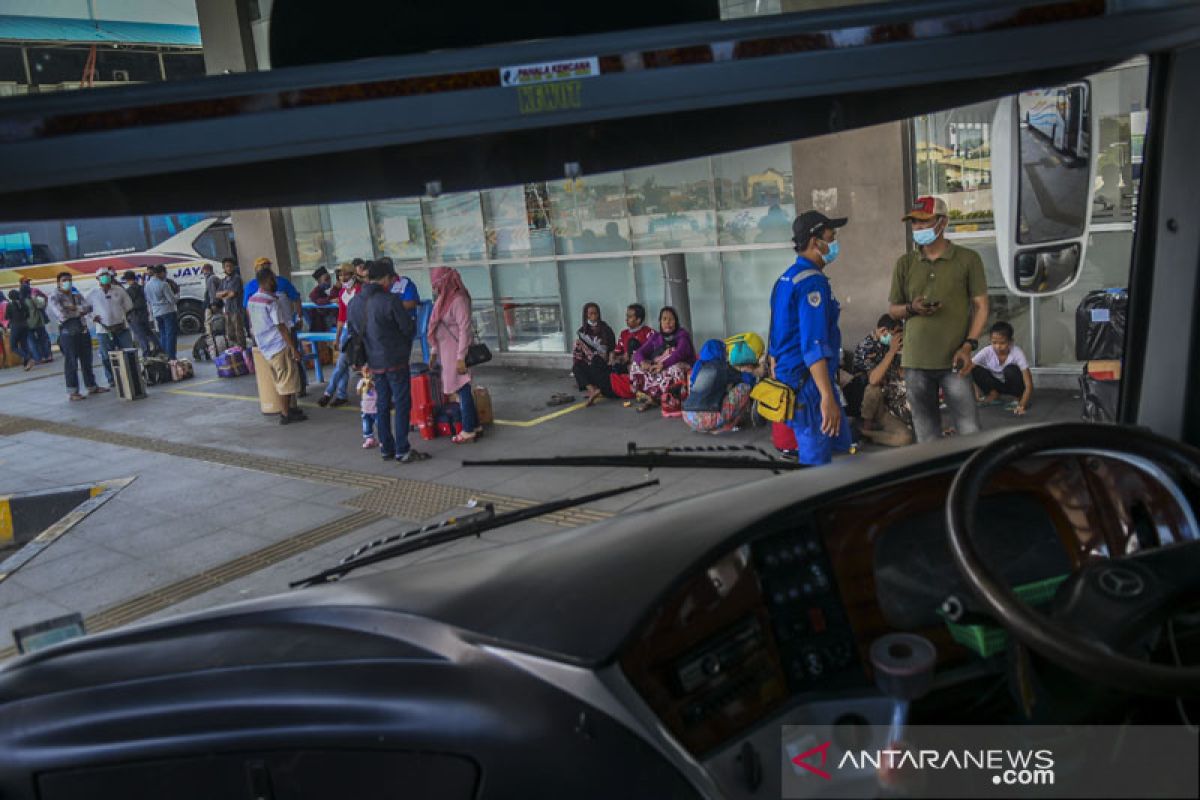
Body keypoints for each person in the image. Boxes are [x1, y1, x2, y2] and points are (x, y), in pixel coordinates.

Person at [888, 195, 989, 442]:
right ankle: (935, 478)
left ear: (942, 223)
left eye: (925, 221)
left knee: (969, 432)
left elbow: (981, 306)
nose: (919, 228)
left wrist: (969, 346)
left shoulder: (968, 259)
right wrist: (912, 308)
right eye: (914, 223)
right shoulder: (905, 263)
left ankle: (971, 477)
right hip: (915, 362)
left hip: (954, 361)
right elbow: (893, 310)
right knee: (926, 434)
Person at [767, 210, 853, 466]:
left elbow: (776, 333)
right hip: (809, 386)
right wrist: (826, 396)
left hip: (793, 378)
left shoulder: (787, 277)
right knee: (816, 460)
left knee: (838, 445)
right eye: (831, 236)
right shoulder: (811, 283)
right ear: (816, 242)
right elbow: (813, 345)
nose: (835, 240)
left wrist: (777, 370)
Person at [349, 259, 430, 460]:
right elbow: (407, 328)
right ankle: (402, 448)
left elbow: (353, 332)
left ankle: (386, 447)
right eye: (390, 279)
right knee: (402, 402)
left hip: (373, 362)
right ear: (385, 278)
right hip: (395, 359)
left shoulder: (354, 302)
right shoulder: (390, 300)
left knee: (382, 403)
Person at [247, 266, 306, 425]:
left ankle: (291, 409)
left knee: (282, 378)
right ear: (266, 281)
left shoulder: (252, 300)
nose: (275, 282)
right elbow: (281, 327)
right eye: (272, 279)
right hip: (278, 345)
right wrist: (294, 348)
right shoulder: (271, 302)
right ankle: (286, 413)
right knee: (285, 381)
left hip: (264, 346)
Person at [428, 265, 480, 445]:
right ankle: (475, 425)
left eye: (438, 284)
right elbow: (438, 327)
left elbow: (464, 329)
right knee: (462, 389)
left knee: (462, 389)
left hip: (457, 350)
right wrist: (434, 351)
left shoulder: (458, 300)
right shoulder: (444, 300)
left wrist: (460, 357)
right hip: (446, 351)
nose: (436, 289)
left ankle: (467, 430)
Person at [851, 315, 913, 447]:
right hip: (872, 402)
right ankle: (866, 427)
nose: (898, 338)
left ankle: (869, 435)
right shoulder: (867, 347)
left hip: (895, 406)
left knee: (906, 439)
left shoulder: (896, 346)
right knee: (873, 389)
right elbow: (873, 379)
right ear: (884, 331)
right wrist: (892, 351)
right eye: (895, 334)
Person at [46, 272, 106, 400]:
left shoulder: (75, 294)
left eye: (69, 279)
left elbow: (89, 307)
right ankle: (73, 391)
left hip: (83, 330)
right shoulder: (54, 296)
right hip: (68, 333)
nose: (67, 282)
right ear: (58, 282)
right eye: (64, 280)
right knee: (71, 362)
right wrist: (79, 310)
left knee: (87, 360)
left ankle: (92, 386)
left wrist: (73, 308)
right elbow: (62, 314)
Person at [630, 306, 695, 416]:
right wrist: (643, 362)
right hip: (659, 366)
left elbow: (679, 354)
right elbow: (639, 353)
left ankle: (672, 398)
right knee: (635, 365)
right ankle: (653, 396)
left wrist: (663, 365)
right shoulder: (656, 337)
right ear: (660, 322)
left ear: (676, 321)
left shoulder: (682, 335)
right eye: (664, 319)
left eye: (671, 319)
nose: (667, 322)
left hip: (679, 364)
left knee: (675, 367)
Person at [682, 339, 756, 434]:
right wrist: (750, 371)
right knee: (744, 387)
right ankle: (726, 425)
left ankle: (702, 427)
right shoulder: (722, 367)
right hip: (709, 418)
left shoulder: (697, 367)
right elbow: (748, 379)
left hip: (688, 417)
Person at [969, 320, 1034, 415]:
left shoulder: (1017, 353)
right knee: (974, 368)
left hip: (1013, 385)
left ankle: (1017, 398)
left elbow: (1029, 385)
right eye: (994, 342)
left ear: (1011, 342)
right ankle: (993, 394)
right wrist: (976, 394)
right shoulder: (987, 351)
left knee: (1010, 369)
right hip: (998, 385)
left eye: (1002, 343)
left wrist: (1022, 405)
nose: (998, 347)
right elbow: (968, 369)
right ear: (990, 340)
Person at [86, 267, 135, 389]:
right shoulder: (92, 293)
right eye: (102, 275)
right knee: (106, 356)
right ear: (97, 279)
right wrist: (93, 317)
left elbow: (129, 305)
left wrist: (122, 315)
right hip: (104, 330)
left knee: (129, 352)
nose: (105, 277)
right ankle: (112, 379)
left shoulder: (119, 290)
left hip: (121, 327)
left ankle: (132, 375)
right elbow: (85, 309)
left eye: (107, 275)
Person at [318, 262, 358, 408]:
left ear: (353, 275)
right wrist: (337, 338)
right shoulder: (342, 293)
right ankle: (340, 394)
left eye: (346, 275)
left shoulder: (359, 290)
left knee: (342, 363)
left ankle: (329, 392)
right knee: (342, 363)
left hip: (357, 330)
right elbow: (341, 317)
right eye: (341, 275)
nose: (343, 278)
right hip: (346, 330)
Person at [572, 302, 617, 406]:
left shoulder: (606, 329)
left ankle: (596, 388)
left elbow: (612, 349)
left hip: (602, 363)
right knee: (576, 367)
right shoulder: (582, 331)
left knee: (596, 360)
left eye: (595, 313)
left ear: (599, 314)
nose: (593, 316)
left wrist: (610, 362)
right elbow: (581, 352)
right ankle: (592, 390)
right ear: (586, 315)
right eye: (590, 313)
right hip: (589, 361)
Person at [121, 270, 161, 356]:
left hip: (134, 315)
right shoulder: (142, 288)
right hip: (144, 313)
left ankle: (146, 352)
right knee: (148, 331)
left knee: (140, 335)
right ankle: (158, 346)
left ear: (127, 280)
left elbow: (126, 305)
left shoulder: (127, 291)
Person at [145, 264, 179, 359]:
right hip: (167, 311)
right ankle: (171, 357)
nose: (166, 275)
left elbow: (148, 299)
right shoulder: (163, 284)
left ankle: (164, 356)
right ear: (161, 273)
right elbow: (172, 300)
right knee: (170, 335)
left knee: (163, 335)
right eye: (165, 273)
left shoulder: (147, 285)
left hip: (156, 312)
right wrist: (177, 296)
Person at [18, 277, 52, 363]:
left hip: (27, 324)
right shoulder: (32, 298)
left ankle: (38, 358)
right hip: (38, 322)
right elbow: (41, 305)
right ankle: (47, 356)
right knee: (43, 339)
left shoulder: (20, 300)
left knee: (32, 342)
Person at [611, 303, 652, 374]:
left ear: (638, 320)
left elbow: (653, 351)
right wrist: (612, 355)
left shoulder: (648, 332)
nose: (626, 319)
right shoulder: (624, 333)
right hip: (626, 364)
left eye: (629, 317)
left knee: (632, 342)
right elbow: (617, 351)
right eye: (627, 316)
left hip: (642, 364)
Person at [216, 257, 247, 347]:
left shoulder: (236, 278)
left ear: (233, 267)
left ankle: (242, 351)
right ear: (224, 268)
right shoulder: (224, 280)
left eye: (230, 266)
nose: (229, 268)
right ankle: (236, 349)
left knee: (239, 332)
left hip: (236, 310)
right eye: (226, 266)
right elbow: (217, 294)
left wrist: (224, 294)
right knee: (230, 333)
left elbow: (233, 294)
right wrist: (226, 292)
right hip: (227, 310)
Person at [4, 289, 34, 370]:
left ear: (10, 297)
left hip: (15, 327)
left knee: (13, 346)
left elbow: (7, 317)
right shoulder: (23, 303)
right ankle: (26, 365)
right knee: (24, 345)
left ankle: (28, 357)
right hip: (25, 325)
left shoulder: (10, 305)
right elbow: (28, 315)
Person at [307, 265, 335, 332]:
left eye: (329, 278)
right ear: (319, 281)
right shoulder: (315, 292)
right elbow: (318, 301)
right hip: (319, 323)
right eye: (326, 279)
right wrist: (330, 300)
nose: (329, 281)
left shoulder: (328, 290)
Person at [357, 371, 378, 449]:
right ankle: (369, 439)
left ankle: (383, 439)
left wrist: (371, 385)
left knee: (380, 424)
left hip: (375, 408)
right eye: (365, 372)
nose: (367, 374)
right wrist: (363, 386)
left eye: (369, 372)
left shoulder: (376, 381)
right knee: (366, 424)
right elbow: (358, 392)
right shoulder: (361, 381)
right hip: (365, 408)